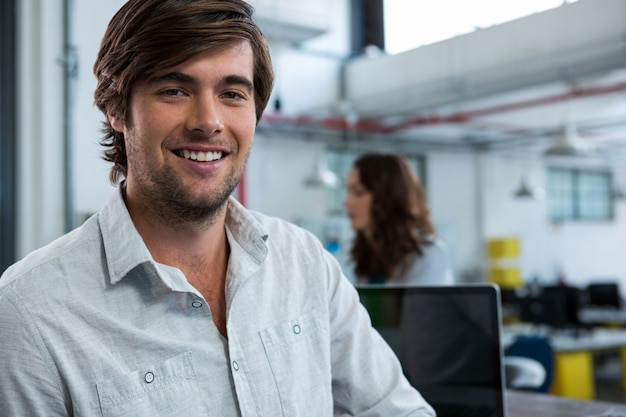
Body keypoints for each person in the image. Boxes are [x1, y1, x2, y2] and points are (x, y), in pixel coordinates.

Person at [0, 1, 435, 416]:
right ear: (117, 108)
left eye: (232, 93)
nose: (208, 121)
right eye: (174, 89)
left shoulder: (304, 263)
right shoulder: (31, 310)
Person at [343, 152, 454, 285]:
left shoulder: (429, 255)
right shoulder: (367, 253)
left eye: (358, 192)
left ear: (386, 198)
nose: (347, 202)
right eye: (348, 192)